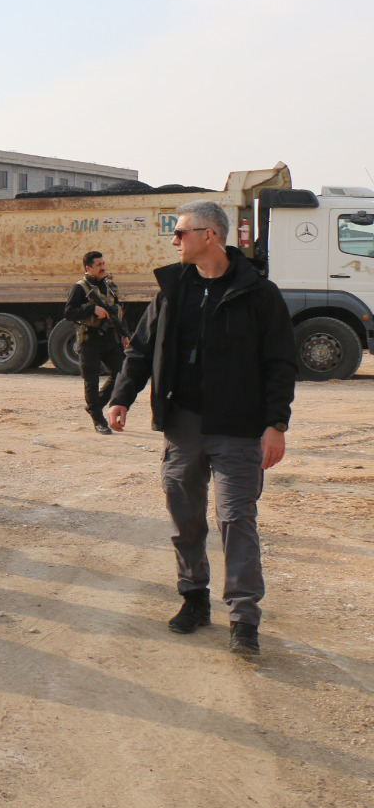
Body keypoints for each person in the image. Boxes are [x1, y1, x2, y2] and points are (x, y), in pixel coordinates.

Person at [107, 200, 296, 657]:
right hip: (184, 423)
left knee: (236, 518)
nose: (174, 241)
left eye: (181, 233)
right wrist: (120, 397)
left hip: (239, 426)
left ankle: (244, 617)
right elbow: (141, 350)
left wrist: (276, 424)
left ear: (209, 236)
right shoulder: (173, 290)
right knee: (185, 515)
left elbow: (280, 363)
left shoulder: (259, 293)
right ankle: (194, 597)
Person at [65, 251, 129, 435]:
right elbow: (69, 312)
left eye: (103, 263)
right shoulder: (79, 288)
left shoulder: (110, 286)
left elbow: (118, 313)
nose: (103, 267)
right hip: (89, 339)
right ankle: (98, 420)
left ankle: (95, 406)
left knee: (121, 374)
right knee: (91, 380)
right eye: (98, 265)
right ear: (88, 268)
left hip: (110, 338)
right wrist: (92, 308)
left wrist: (124, 335)